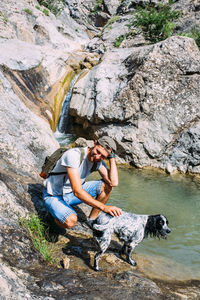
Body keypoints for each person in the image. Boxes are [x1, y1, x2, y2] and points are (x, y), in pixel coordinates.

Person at [43, 136, 122, 229]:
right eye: (98, 152)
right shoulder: (74, 155)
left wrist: (112, 158)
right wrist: (104, 207)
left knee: (107, 186)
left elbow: (113, 183)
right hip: (54, 195)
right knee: (71, 221)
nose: (98, 157)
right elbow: (77, 191)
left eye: (103, 156)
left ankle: (91, 221)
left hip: (71, 195)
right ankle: (52, 219)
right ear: (95, 143)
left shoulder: (98, 162)